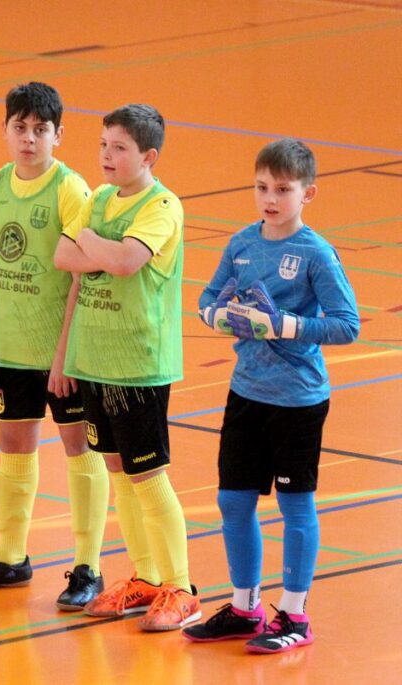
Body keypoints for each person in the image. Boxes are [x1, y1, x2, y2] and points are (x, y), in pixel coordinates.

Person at [184, 138, 359, 652]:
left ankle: (296, 617)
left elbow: (346, 324)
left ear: (308, 194)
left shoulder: (315, 253)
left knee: (295, 506)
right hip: (247, 393)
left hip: (298, 400)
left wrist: (283, 324)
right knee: (233, 501)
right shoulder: (242, 243)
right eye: (262, 187)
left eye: (283, 189)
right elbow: (206, 299)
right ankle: (246, 609)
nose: (270, 198)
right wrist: (221, 316)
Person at [0, 83, 108, 604]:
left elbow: (81, 277)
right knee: (14, 447)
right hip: (10, 349)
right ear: (5, 130)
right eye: (20, 128)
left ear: (58, 135)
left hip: (62, 354)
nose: (29, 139)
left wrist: (65, 356)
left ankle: (88, 567)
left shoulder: (70, 190)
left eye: (41, 130)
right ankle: (11, 557)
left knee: (80, 450)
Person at [53, 103, 199, 631]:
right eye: (103, 145)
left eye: (119, 148)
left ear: (148, 156)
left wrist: (93, 244)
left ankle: (181, 587)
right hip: (95, 359)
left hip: (137, 364)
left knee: (148, 476)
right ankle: (147, 576)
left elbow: (124, 262)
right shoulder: (97, 198)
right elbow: (63, 257)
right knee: (118, 472)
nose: (107, 155)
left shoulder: (161, 205)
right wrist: (102, 250)